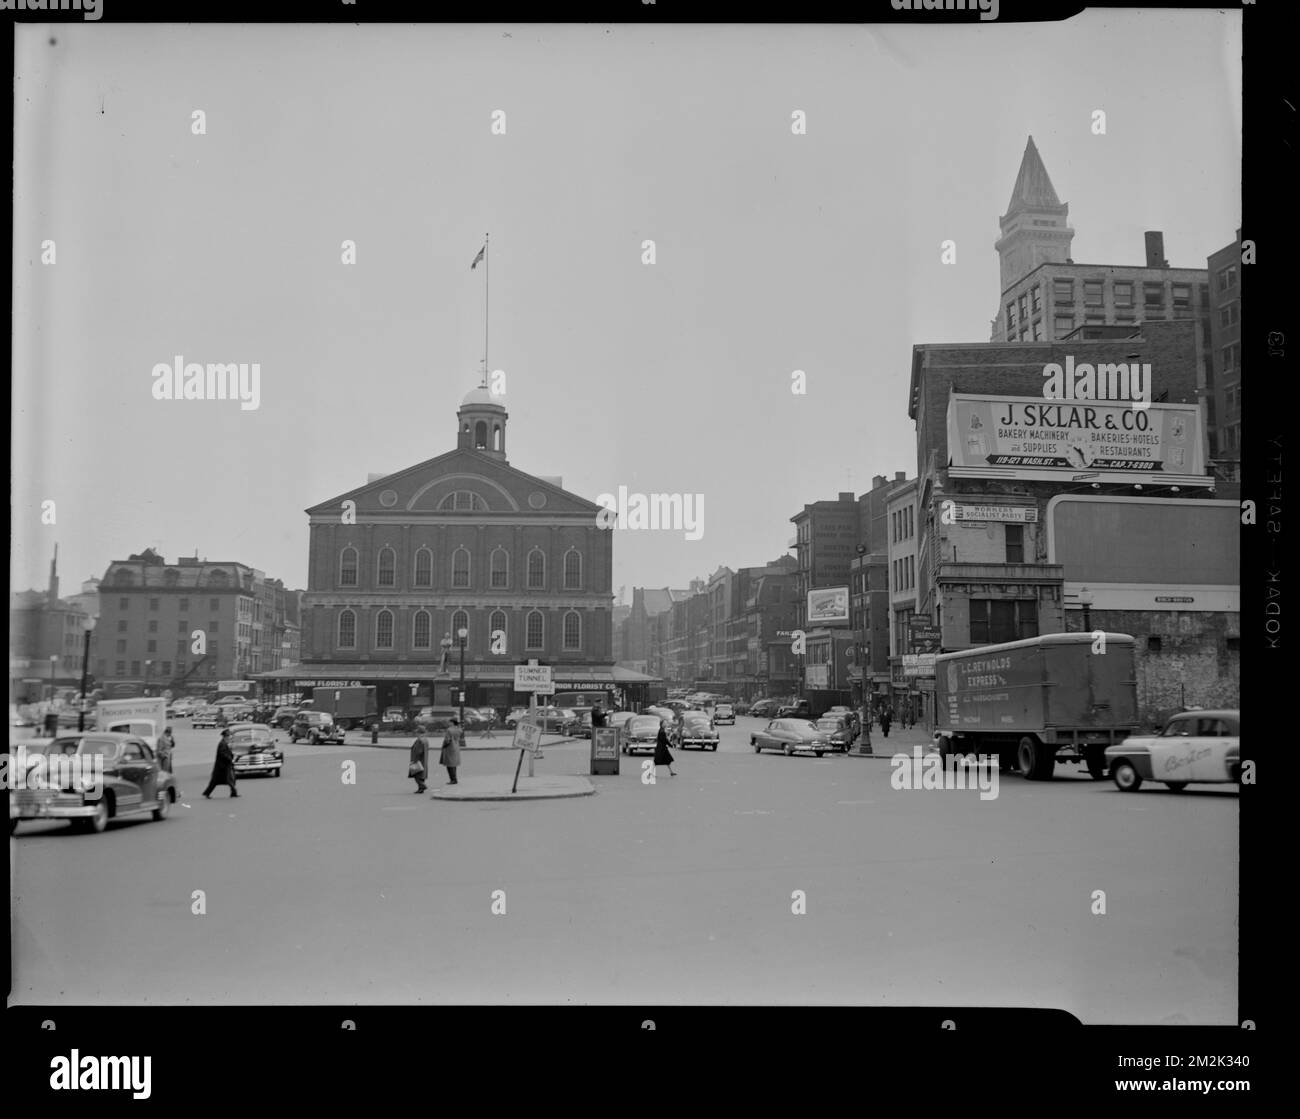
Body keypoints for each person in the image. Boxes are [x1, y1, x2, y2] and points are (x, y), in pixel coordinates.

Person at [202, 729, 239, 798]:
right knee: (226, 780)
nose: (230, 738)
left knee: (230, 779)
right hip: (222, 767)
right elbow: (222, 754)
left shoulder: (224, 743)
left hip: (224, 766)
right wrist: (229, 758)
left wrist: (231, 755)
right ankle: (207, 793)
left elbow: (226, 753)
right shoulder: (222, 744)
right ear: (225, 737)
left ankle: (233, 793)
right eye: (229, 736)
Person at [439, 717, 464, 785]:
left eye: (450, 722)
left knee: (449, 764)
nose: (448, 723)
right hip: (456, 747)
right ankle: (454, 778)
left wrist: (444, 746)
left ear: (452, 722)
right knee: (454, 764)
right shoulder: (459, 729)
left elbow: (447, 740)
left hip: (449, 748)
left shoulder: (449, 730)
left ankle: (453, 779)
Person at [409, 723, 430, 793]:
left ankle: (422, 785)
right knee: (421, 774)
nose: (416, 733)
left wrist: (414, 760)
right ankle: (421, 788)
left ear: (419, 732)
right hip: (424, 759)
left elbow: (418, 751)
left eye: (417, 732)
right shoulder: (425, 739)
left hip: (418, 760)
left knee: (416, 774)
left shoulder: (419, 740)